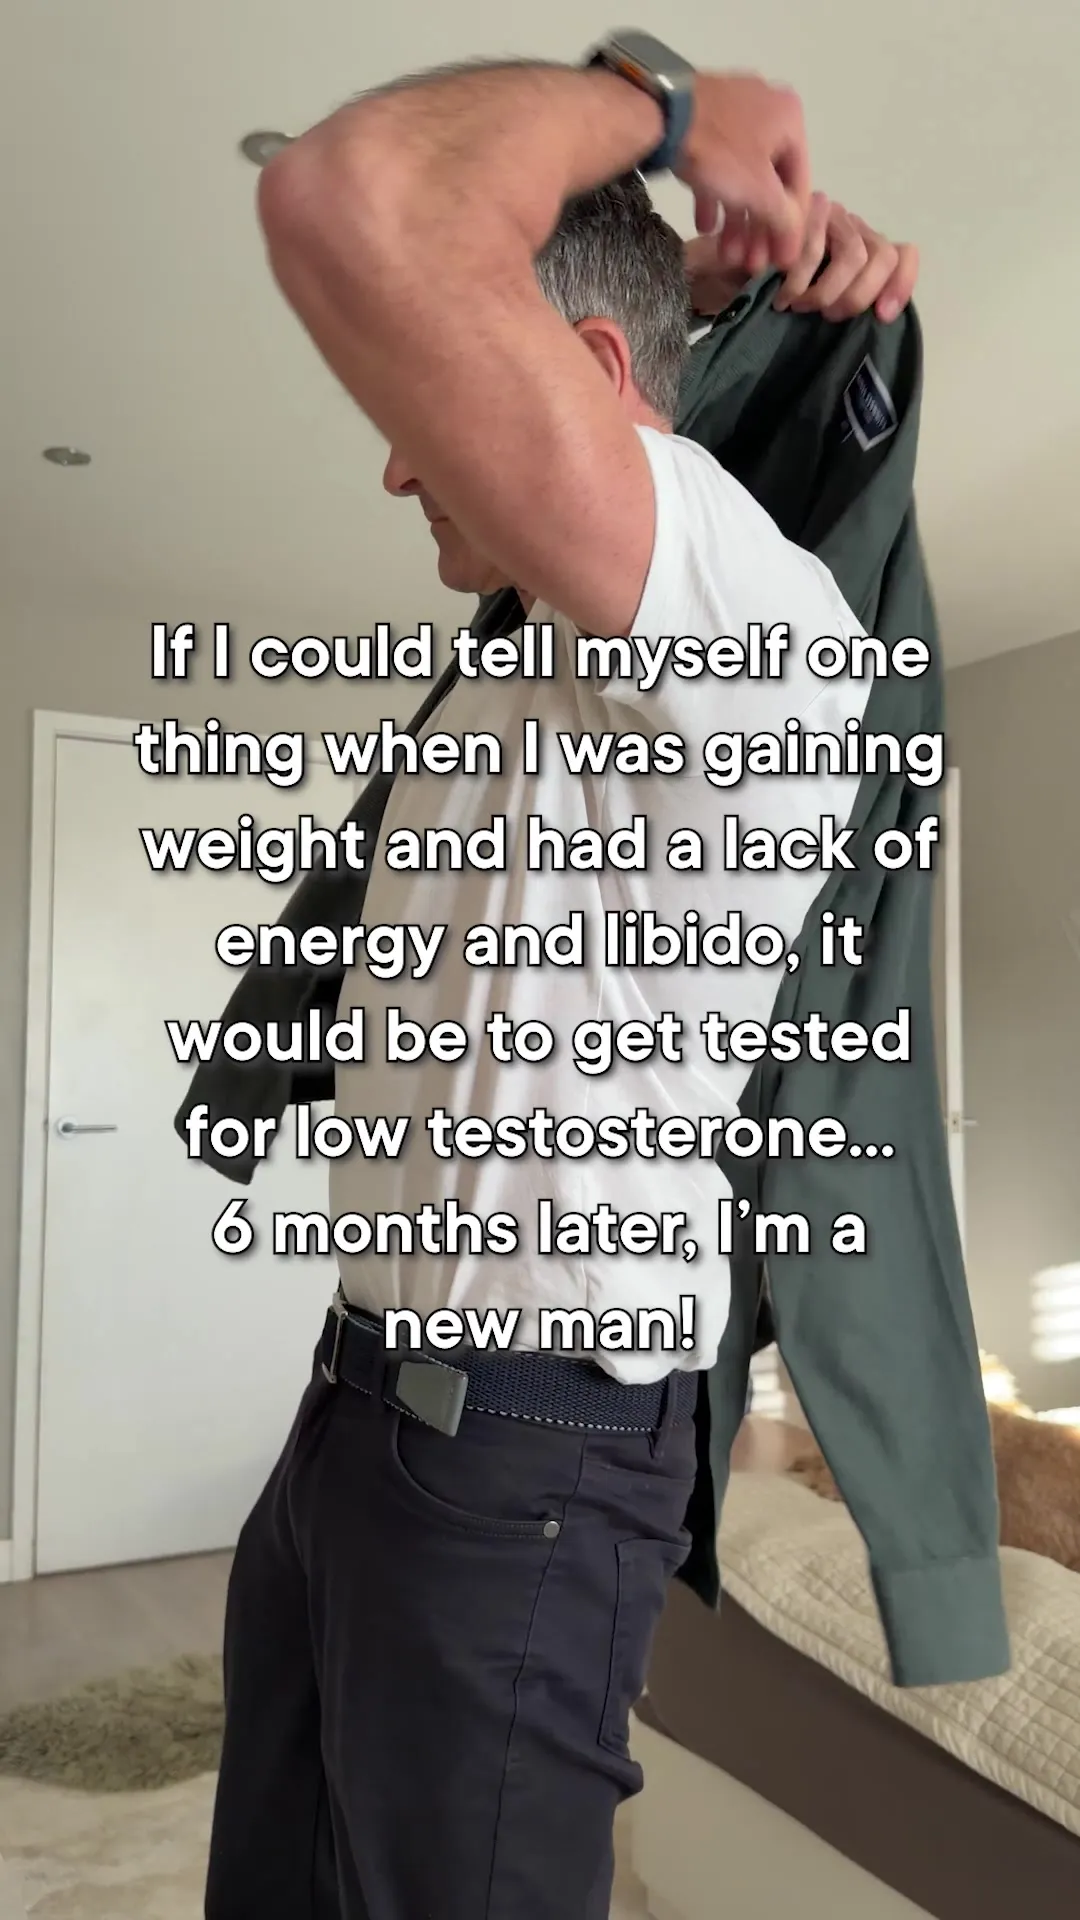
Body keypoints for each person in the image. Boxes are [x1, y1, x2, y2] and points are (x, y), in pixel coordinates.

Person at [199, 45, 1004, 1920]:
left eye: (423, 405)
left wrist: (656, 102)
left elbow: (355, 202)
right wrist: (691, 311)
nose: (401, 457)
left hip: (518, 1457)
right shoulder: (535, 653)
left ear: (580, 381)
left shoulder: (745, 620)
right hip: (357, 1413)